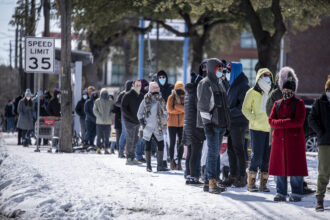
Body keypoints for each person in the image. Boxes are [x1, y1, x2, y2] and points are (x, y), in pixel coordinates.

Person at [269, 80, 308, 202]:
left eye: (288, 91)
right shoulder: (277, 103)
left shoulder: (299, 103)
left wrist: (280, 123)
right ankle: (281, 192)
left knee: (295, 168)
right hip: (279, 142)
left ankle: (296, 192)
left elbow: (299, 121)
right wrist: (286, 123)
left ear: (293, 91)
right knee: (280, 168)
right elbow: (271, 121)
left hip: (294, 142)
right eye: (284, 91)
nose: (286, 93)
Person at [197, 58, 230, 194]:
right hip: (212, 124)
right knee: (212, 154)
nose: (221, 72)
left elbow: (225, 106)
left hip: (221, 124)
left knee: (215, 154)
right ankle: (211, 182)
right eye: (219, 69)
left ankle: (208, 182)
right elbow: (203, 107)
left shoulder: (220, 83)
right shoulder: (205, 84)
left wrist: (227, 124)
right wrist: (207, 124)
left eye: (222, 69)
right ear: (212, 69)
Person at [242, 68, 274, 192]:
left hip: (269, 129)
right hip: (256, 129)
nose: (266, 77)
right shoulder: (251, 92)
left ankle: (263, 184)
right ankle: (251, 183)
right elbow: (245, 109)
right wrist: (253, 118)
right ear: (259, 77)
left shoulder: (272, 92)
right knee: (257, 157)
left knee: (267, 158)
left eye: (268, 75)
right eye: (264, 75)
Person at [224, 62, 250, 187]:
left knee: (238, 149)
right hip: (231, 122)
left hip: (239, 122)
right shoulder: (232, 84)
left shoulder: (243, 85)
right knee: (230, 149)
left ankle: (241, 176)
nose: (227, 74)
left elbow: (242, 107)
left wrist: (228, 112)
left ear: (235, 71)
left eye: (229, 71)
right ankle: (233, 175)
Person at [309, 75, 330, 211]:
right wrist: (320, 131)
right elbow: (311, 119)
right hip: (325, 142)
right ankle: (320, 199)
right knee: (323, 171)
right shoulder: (319, 102)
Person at [137, 82, 169, 172]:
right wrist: (142, 123)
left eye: (157, 88)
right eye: (153, 89)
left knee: (161, 145)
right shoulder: (145, 100)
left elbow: (166, 111)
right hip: (148, 127)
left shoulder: (161, 100)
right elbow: (139, 113)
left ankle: (159, 166)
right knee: (148, 145)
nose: (155, 91)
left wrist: (165, 118)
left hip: (158, 127)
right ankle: (148, 166)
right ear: (150, 90)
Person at [183, 70, 205, 184]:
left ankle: (188, 174)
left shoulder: (188, 93)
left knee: (191, 152)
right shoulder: (196, 94)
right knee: (195, 153)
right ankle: (193, 176)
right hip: (195, 127)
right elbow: (200, 109)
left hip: (188, 126)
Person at [121, 80, 144, 165]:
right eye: (136, 84)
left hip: (138, 121)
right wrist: (130, 117)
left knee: (135, 139)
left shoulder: (141, 96)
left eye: (140, 85)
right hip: (129, 121)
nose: (138, 86)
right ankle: (128, 158)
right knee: (130, 139)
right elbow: (123, 108)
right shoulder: (128, 95)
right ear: (133, 85)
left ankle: (132, 157)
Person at [167, 81, 185, 170]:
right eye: (178, 88)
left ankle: (179, 162)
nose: (179, 90)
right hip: (171, 124)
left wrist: (176, 107)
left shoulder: (185, 97)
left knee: (181, 143)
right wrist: (180, 109)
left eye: (181, 88)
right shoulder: (171, 97)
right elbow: (169, 110)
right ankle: (171, 161)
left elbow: (186, 109)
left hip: (181, 124)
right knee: (172, 143)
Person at [93, 88, 114, 154]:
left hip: (108, 122)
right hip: (99, 122)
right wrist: (99, 116)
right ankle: (98, 149)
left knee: (107, 137)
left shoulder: (110, 101)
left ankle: (106, 149)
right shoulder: (97, 101)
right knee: (99, 137)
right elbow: (94, 110)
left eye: (106, 94)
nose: (104, 95)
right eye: (103, 94)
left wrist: (110, 115)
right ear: (101, 94)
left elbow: (112, 110)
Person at [116, 80, 133, 158]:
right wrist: (124, 106)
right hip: (125, 117)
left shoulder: (134, 93)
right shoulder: (122, 94)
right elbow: (117, 103)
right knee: (124, 134)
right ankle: (120, 151)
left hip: (133, 117)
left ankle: (129, 152)